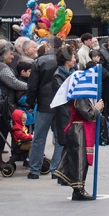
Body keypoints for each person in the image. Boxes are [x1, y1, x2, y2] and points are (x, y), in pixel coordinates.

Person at [51, 46, 100, 201]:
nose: (75, 59)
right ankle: (77, 188)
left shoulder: (74, 76)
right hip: (74, 123)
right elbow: (81, 109)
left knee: (75, 156)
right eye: (72, 56)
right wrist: (96, 109)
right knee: (78, 157)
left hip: (76, 123)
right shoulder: (66, 79)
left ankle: (77, 187)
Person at [25, 37, 63, 178]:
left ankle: (34, 169)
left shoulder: (39, 61)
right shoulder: (64, 60)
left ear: (48, 46)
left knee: (39, 138)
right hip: (60, 104)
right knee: (60, 138)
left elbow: (32, 86)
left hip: (44, 104)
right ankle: (56, 169)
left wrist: (30, 103)